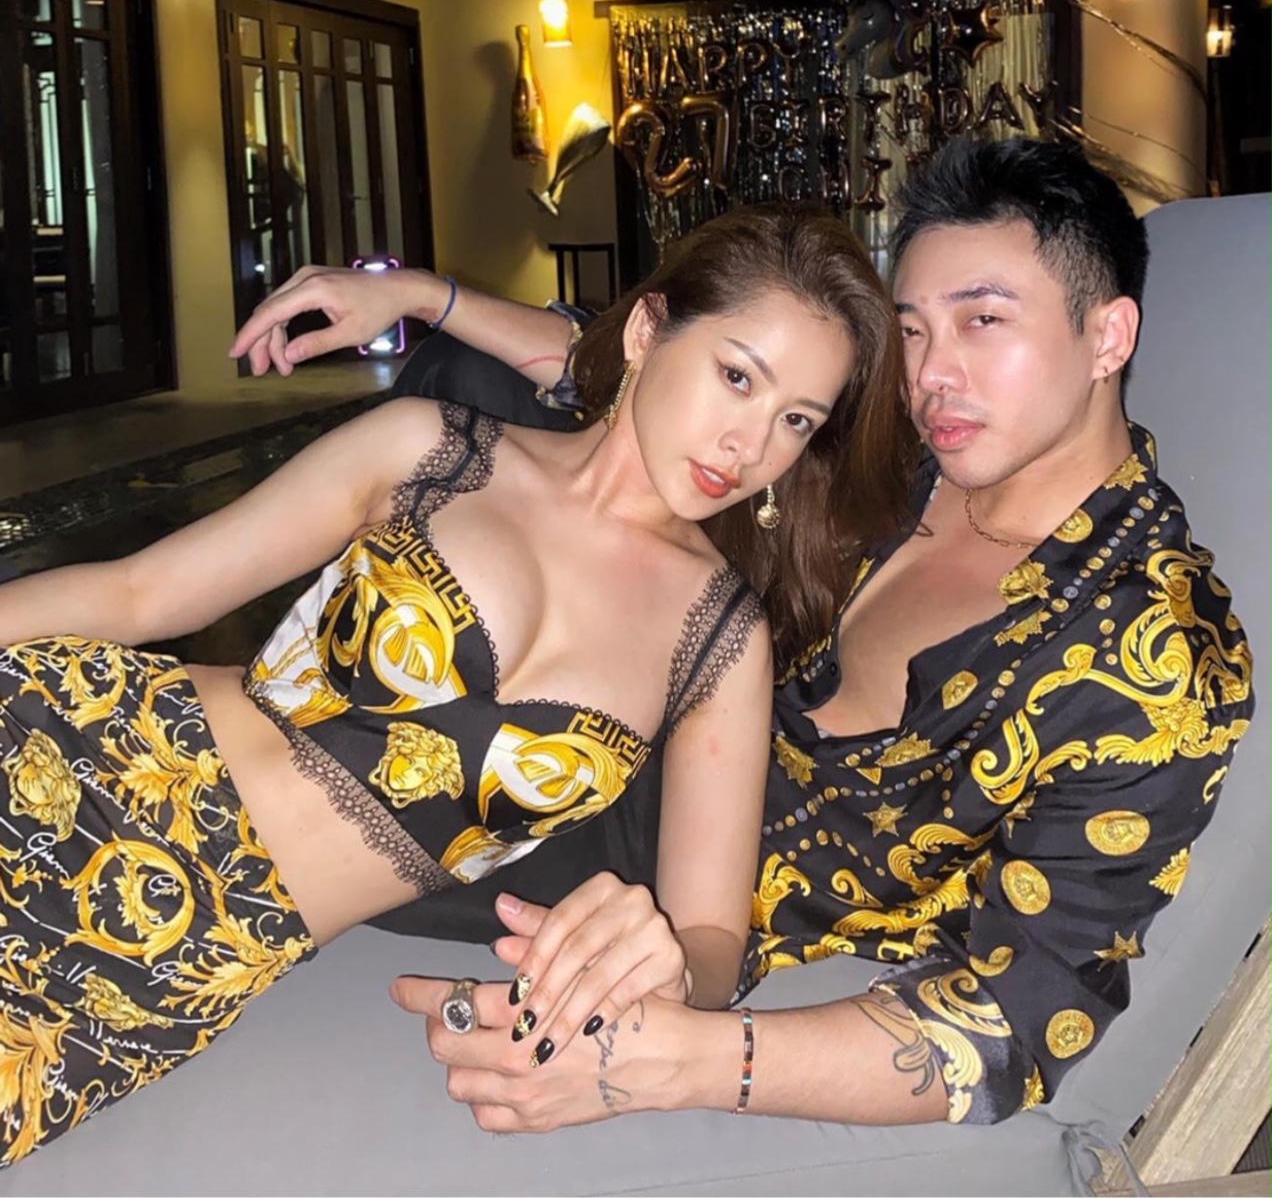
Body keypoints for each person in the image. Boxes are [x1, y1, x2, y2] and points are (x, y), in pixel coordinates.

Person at [233, 136, 1253, 1132]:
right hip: (622, 695)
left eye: (983, 321)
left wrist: (678, 1058)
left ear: (1108, 336)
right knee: (471, 383)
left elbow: (1018, 1021)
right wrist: (426, 298)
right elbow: (669, 385)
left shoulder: (1149, 658)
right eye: (913, 331)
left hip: (644, 887)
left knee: (282, 798)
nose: (933, 374)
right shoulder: (912, 460)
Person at [0, 205, 918, 1166]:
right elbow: (137, 593)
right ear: (648, 331)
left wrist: (670, 967)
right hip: (81, 760)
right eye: (737, 377)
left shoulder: (721, 642)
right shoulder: (432, 450)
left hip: (182, 954)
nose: (749, 444)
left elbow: (712, 938)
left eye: (795, 420)